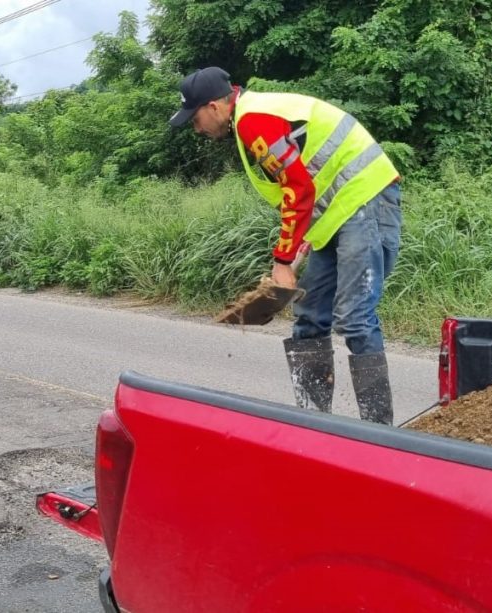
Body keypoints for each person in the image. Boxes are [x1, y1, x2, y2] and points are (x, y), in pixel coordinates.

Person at [169, 66, 402, 425]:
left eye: (195, 118)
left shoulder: (253, 121)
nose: (196, 128)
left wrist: (283, 259)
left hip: (365, 200)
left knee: (354, 318)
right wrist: (298, 244)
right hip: (334, 216)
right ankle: (312, 425)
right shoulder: (250, 120)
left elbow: (299, 189)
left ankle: (381, 432)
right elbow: (304, 183)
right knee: (309, 319)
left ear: (214, 106)